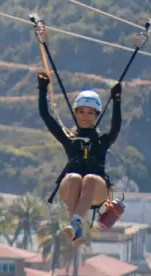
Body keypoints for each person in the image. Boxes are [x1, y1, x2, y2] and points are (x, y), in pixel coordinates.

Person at [37, 71, 122, 242]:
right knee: (75, 177)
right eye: (81, 111)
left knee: (89, 178)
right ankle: (75, 225)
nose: (85, 116)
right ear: (75, 112)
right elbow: (46, 116)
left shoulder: (102, 140)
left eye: (91, 113)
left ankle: (75, 224)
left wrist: (117, 100)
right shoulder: (69, 138)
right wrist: (42, 89)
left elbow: (115, 128)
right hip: (70, 188)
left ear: (97, 115)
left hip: (96, 189)